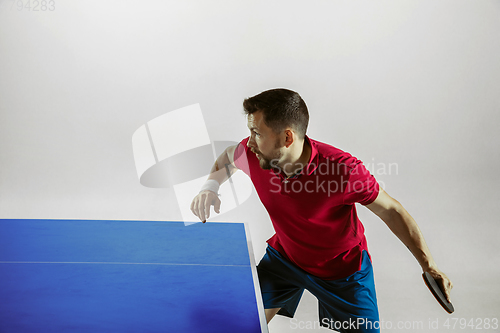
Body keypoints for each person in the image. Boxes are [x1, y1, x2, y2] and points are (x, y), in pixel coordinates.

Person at [190, 88, 453, 332]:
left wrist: (429, 265)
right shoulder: (253, 155)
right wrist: (210, 187)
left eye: (257, 133)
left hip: (344, 274)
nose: (249, 142)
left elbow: (391, 210)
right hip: (285, 261)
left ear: (287, 136)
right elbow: (227, 157)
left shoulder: (343, 170)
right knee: (239, 325)